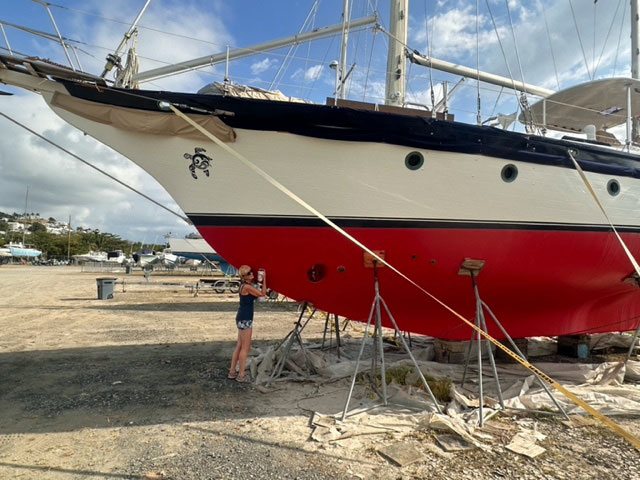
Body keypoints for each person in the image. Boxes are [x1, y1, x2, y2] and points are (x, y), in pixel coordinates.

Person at [229, 265, 266, 383]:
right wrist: (265, 279)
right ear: (245, 277)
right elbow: (262, 294)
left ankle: (232, 371)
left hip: (241, 317)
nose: (252, 274)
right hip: (246, 319)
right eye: (249, 273)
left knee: (239, 346)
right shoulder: (247, 287)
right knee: (245, 348)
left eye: (251, 272)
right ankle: (241, 375)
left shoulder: (244, 286)